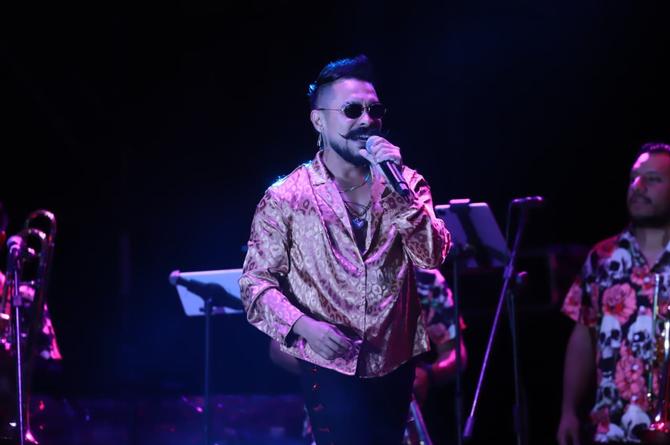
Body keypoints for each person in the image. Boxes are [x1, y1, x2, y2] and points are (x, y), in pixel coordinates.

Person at [239, 54, 450, 444]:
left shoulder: (407, 184)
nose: (367, 120)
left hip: (394, 360)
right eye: (352, 110)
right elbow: (255, 285)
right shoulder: (286, 198)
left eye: (374, 110)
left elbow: (431, 255)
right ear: (319, 121)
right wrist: (304, 327)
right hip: (327, 364)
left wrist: (398, 189)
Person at [268, 267, 467, 443]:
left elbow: (456, 353)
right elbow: (277, 349)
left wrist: (429, 375)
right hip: (332, 420)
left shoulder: (424, 276)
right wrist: (331, 372)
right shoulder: (312, 271)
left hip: (400, 420)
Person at [557, 142, 670, 444]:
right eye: (634, 178)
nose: (638, 187)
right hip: (612, 429)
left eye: (653, 179)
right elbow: (583, 334)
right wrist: (568, 410)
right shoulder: (602, 257)